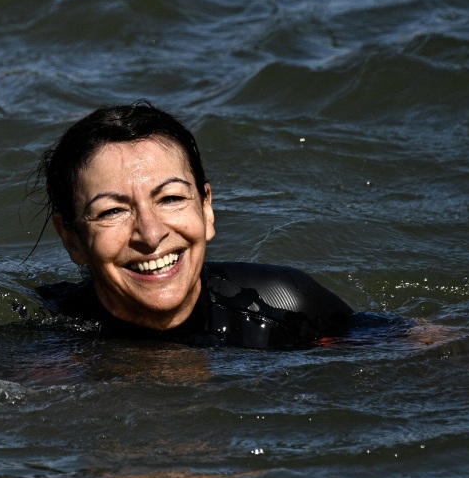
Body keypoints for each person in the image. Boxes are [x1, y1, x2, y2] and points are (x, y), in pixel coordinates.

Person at [30, 101, 353, 350]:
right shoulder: (46, 346)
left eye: (170, 198)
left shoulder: (286, 307)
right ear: (71, 239)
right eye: (113, 211)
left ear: (206, 208)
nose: (151, 233)